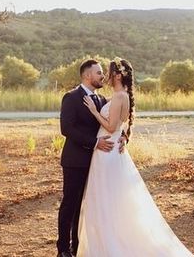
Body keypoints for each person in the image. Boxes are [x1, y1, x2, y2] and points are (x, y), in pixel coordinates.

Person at [76, 57, 194, 257]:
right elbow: (119, 127)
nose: (106, 75)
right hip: (109, 150)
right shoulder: (119, 96)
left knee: (107, 199)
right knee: (109, 198)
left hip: (107, 153)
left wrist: (95, 111)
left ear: (118, 75)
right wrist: (123, 135)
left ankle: (111, 245)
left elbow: (111, 126)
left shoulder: (120, 96)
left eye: (109, 71)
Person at [56, 59, 127, 257]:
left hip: (99, 162)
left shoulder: (102, 100)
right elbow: (66, 129)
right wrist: (95, 143)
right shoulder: (71, 97)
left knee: (88, 206)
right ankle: (63, 249)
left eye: (103, 72)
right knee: (71, 204)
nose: (102, 76)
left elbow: (113, 122)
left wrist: (123, 136)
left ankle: (79, 246)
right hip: (75, 161)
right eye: (99, 73)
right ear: (87, 75)